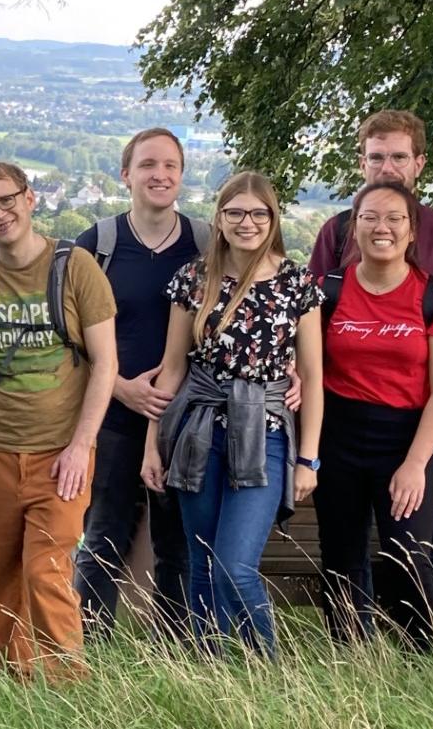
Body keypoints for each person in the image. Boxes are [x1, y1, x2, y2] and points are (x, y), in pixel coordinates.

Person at [306, 110, 433, 644]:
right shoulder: (333, 237)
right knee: (342, 551)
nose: (387, 167)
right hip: (341, 430)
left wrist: (416, 461)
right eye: (377, 156)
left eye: (398, 156)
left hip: (410, 430)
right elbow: (307, 334)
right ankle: (352, 656)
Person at [0, 161, 117, 681]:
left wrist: (82, 446)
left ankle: (65, 687)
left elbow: (106, 363)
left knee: (47, 571)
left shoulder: (75, 266)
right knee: (0, 575)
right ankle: (11, 684)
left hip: (60, 453)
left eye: (7, 200)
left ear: (30, 198)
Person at [142, 171, 323, 657]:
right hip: (198, 432)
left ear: (273, 218)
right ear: (219, 219)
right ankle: (213, 666)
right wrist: (151, 447)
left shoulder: (297, 283)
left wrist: (309, 460)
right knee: (201, 559)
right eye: (235, 212)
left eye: (258, 213)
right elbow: (172, 370)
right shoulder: (193, 279)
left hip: (265, 435)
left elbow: (314, 378)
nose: (247, 222)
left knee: (234, 563)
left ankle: (266, 666)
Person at [71, 128, 205, 641]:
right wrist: (120, 387)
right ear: (125, 175)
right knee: (104, 530)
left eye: (171, 166)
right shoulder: (98, 245)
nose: (160, 175)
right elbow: (70, 340)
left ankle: (174, 646)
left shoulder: (205, 243)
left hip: (185, 418)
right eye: (148, 165)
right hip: (114, 418)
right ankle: (87, 644)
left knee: (178, 540)